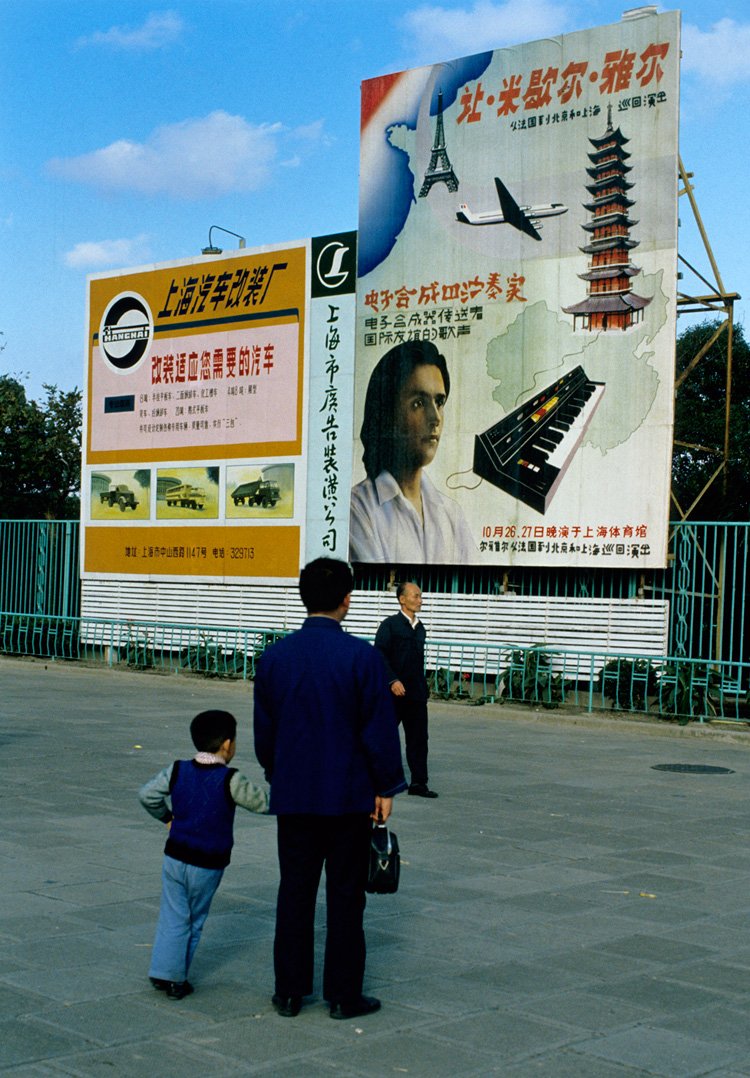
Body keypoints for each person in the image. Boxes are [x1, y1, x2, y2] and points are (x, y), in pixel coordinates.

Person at [253, 557, 407, 1021]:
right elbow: (377, 731)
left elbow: (266, 736)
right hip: (348, 798)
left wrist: (279, 773)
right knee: (345, 895)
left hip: (295, 796)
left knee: (294, 892)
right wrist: (386, 786)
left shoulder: (275, 657)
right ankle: (343, 995)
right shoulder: (362, 658)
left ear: (303, 597)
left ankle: (289, 992)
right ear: (347, 599)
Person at [139, 709, 268, 999]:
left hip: (174, 856)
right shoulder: (230, 779)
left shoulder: (177, 770)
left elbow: (147, 794)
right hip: (207, 863)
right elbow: (261, 803)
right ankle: (175, 978)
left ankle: (161, 970)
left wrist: (167, 818)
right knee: (193, 920)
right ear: (226, 744)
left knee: (172, 915)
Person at [349, 339, 474, 564]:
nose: (435, 418)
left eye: (439, 402)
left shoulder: (451, 514)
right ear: (386, 414)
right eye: (418, 403)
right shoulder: (358, 509)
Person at [375, 581, 437, 798]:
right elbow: (379, 655)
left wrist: (423, 687)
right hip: (392, 694)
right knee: (382, 736)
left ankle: (419, 783)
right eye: (416, 596)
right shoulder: (390, 625)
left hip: (416, 694)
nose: (420, 600)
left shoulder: (420, 628)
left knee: (419, 739)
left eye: (420, 596)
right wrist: (392, 681)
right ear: (402, 599)